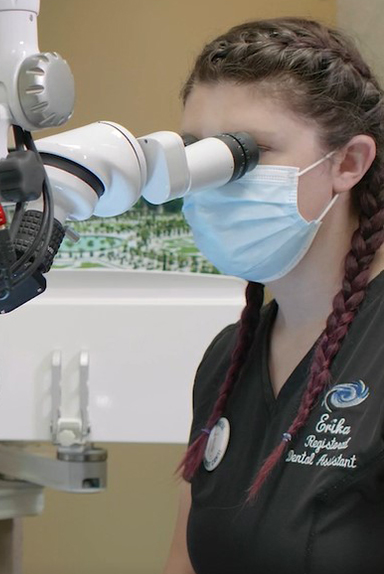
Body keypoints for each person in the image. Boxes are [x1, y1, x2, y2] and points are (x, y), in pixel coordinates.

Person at [163, 18, 384, 574]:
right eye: (197, 154)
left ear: (349, 163)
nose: (215, 181)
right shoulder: (227, 359)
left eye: (248, 152)